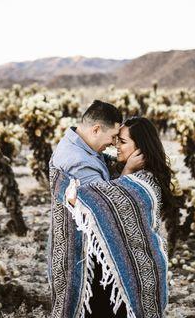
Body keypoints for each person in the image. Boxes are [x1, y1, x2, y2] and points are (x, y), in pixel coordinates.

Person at [51, 116, 176, 318]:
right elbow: (111, 194)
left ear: (141, 149)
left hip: (127, 272)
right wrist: (125, 170)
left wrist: (64, 187)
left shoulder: (143, 181)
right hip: (111, 272)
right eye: (116, 139)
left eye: (123, 141)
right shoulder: (121, 172)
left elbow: (103, 203)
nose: (116, 145)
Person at [47, 101, 144, 318]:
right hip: (82, 251)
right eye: (112, 137)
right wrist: (128, 170)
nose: (112, 144)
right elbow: (103, 207)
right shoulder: (78, 161)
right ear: (96, 129)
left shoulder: (80, 144)